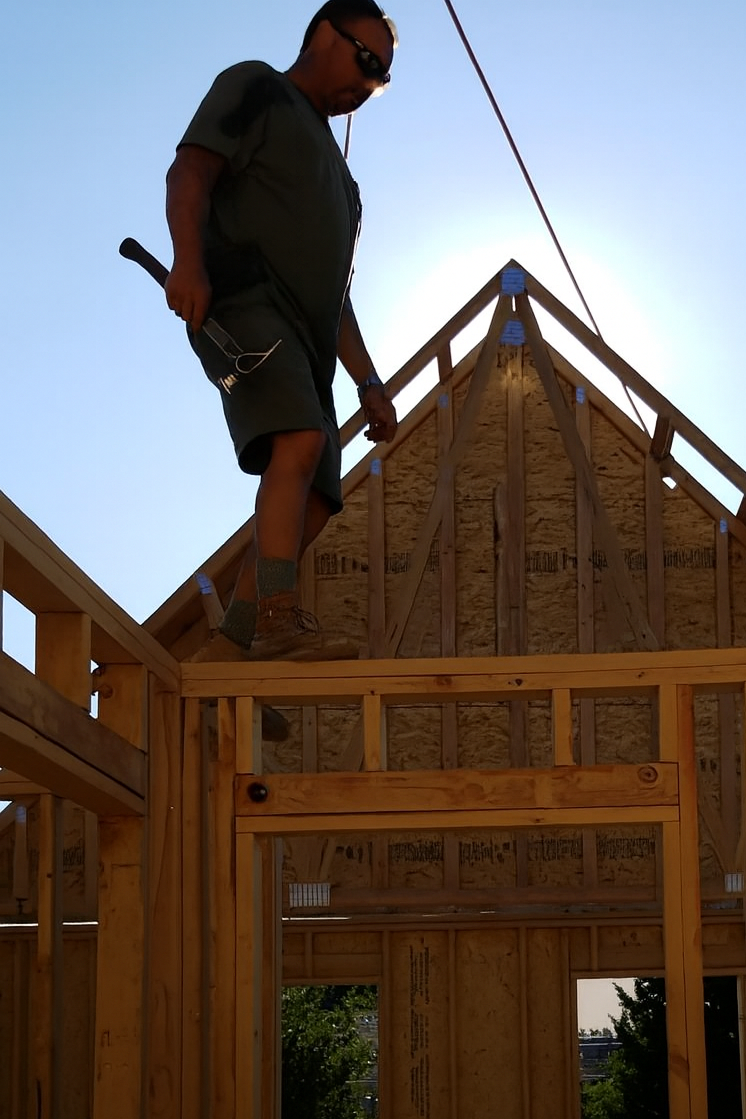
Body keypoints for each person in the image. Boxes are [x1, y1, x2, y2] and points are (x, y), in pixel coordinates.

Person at [165, 0, 398, 670]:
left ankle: (228, 649)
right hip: (243, 300)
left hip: (308, 339)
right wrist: (186, 259)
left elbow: (337, 296)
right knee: (296, 441)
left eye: (381, 78)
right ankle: (273, 619)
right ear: (325, 35)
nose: (370, 82)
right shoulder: (256, 86)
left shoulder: (345, 185)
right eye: (366, 60)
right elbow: (191, 170)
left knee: (320, 497)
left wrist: (370, 381)